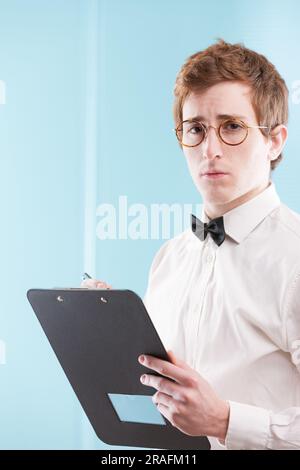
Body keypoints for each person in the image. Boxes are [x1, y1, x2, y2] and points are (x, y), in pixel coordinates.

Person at [82, 39, 300, 450]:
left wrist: (224, 420)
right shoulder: (169, 257)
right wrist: (114, 337)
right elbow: (160, 401)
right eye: (195, 129)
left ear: (274, 140)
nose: (210, 150)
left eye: (232, 126)